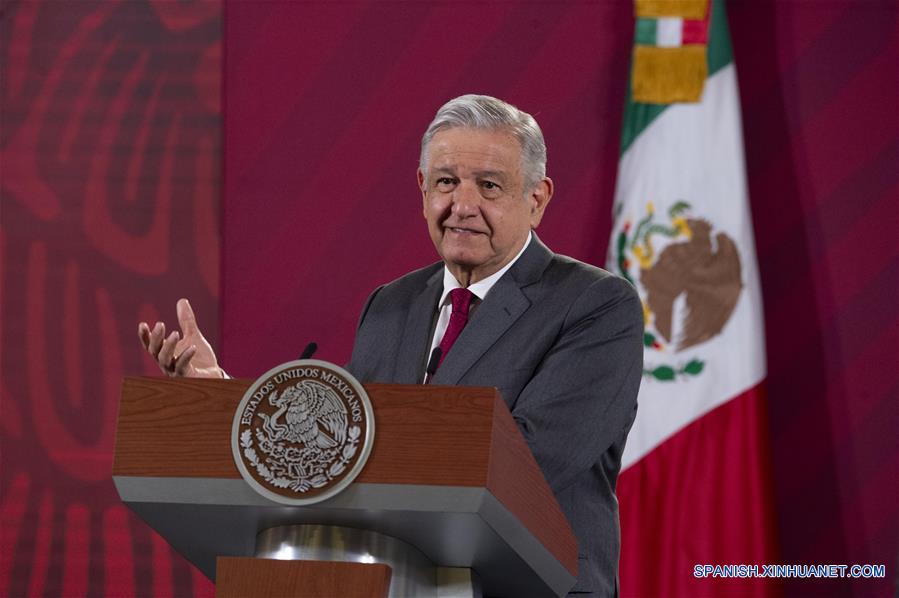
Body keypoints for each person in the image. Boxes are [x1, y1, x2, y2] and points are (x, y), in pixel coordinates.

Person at [139, 94, 643, 596]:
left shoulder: (596, 306)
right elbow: (340, 442)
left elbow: (532, 461)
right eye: (446, 182)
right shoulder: (392, 304)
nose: (462, 206)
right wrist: (220, 399)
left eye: (489, 186)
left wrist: (359, 450)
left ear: (537, 199)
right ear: (423, 189)